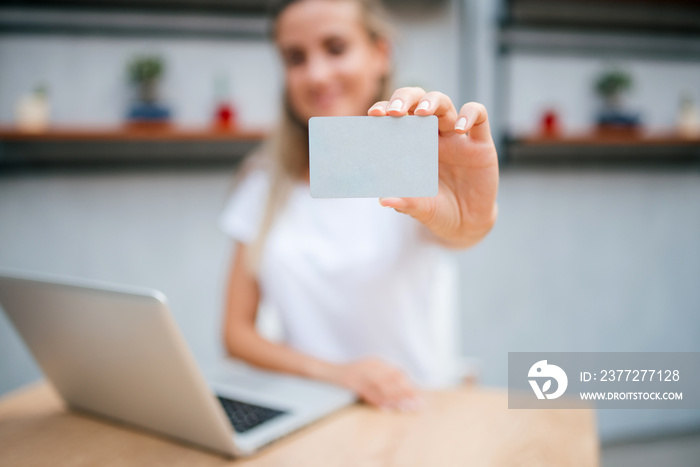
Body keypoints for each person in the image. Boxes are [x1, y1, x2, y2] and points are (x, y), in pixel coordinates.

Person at [219, 0, 499, 411]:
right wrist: (336, 373)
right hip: (308, 413)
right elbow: (236, 333)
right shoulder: (262, 183)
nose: (315, 75)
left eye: (335, 48)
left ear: (379, 54)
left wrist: (474, 217)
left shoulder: (419, 168)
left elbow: (463, 233)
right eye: (296, 58)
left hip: (409, 410)